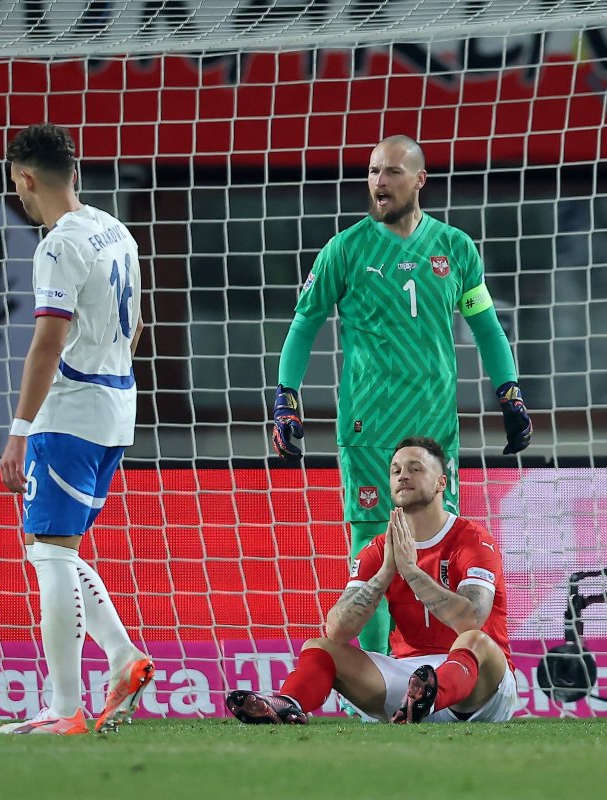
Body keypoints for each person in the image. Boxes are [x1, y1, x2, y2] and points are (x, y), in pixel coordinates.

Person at [271, 135, 532, 654]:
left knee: (438, 554)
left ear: (419, 180)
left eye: (391, 171)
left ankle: (435, 677)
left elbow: (486, 327)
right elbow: (304, 324)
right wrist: (286, 399)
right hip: (369, 430)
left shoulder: (456, 248)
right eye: (372, 172)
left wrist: (509, 392)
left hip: (434, 431)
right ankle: (371, 679)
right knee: (372, 557)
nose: (379, 182)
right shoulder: (345, 249)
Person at [0, 123, 154, 735]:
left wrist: (19, 429)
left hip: (68, 416)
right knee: (53, 548)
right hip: (115, 410)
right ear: (76, 173)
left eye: (17, 186)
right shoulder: (116, 231)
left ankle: (64, 708)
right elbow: (137, 328)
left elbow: (47, 341)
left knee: (49, 556)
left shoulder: (59, 245)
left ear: (25, 179)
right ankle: (123, 656)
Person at [226, 436, 518, 724]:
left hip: (479, 689)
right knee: (320, 646)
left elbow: (471, 619)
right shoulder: (379, 548)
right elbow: (337, 630)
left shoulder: (473, 540)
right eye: (396, 470)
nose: (403, 475)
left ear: (442, 483)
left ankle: (428, 698)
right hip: (411, 683)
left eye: (415, 468)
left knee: (474, 640)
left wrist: (411, 571)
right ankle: (287, 704)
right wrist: (385, 572)